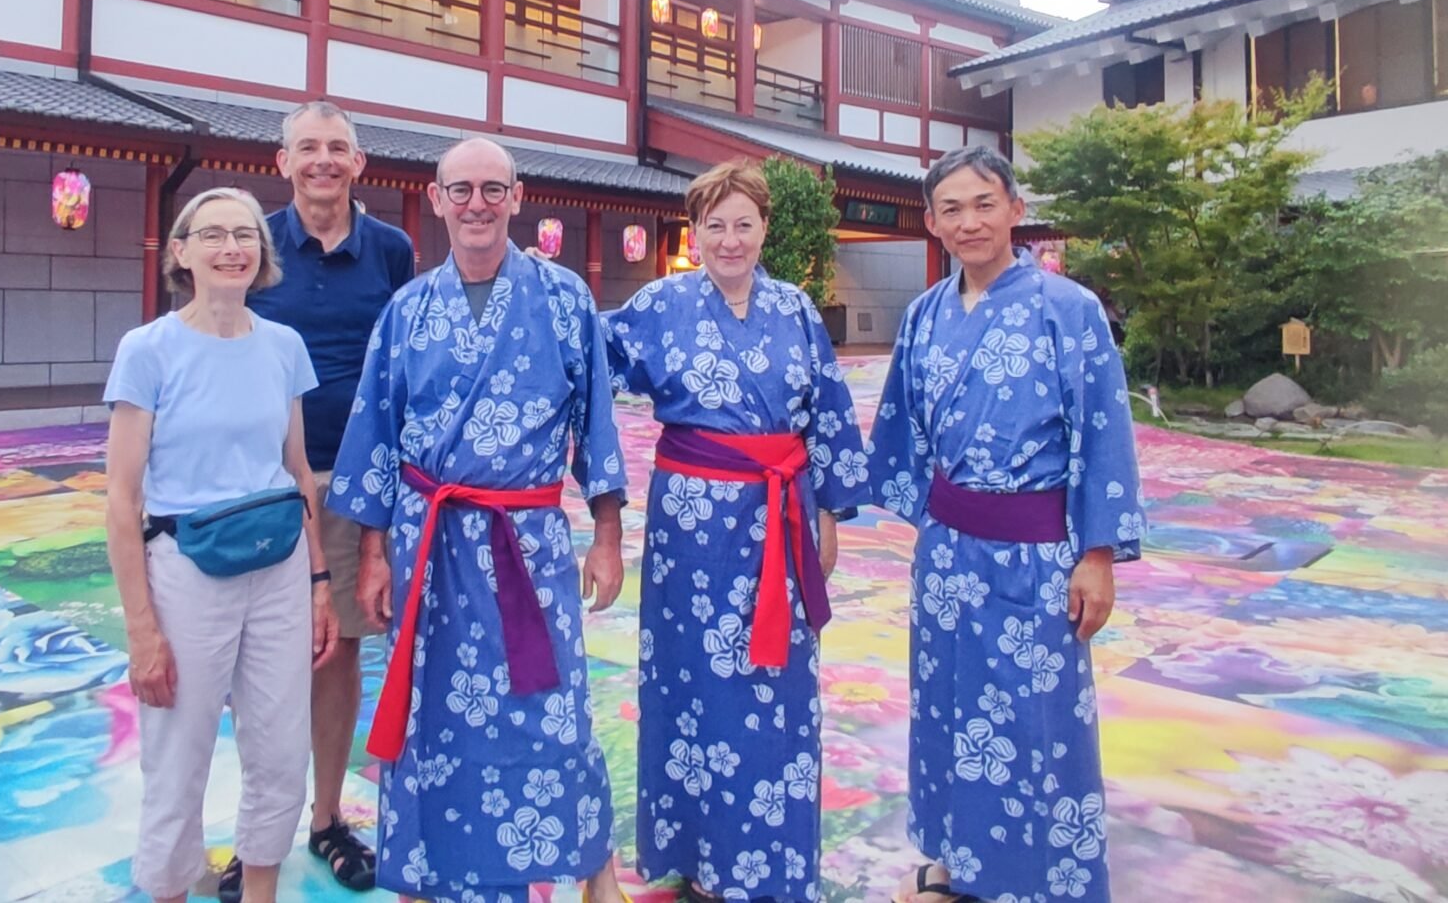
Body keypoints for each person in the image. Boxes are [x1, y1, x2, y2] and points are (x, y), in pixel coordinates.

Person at [328, 137, 628, 903]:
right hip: (428, 544)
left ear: (519, 198)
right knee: (435, 711)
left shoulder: (563, 300)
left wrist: (607, 537)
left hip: (527, 543)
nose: (477, 205)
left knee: (550, 707)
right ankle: (430, 871)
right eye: (460, 190)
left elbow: (596, 425)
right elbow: (378, 441)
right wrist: (373, 556)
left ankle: (586, 866)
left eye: (493, 190)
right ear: (436, 201)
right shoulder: (406, 309)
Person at [863, 145, 1144, 903]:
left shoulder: (1069, 309)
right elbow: (901, 432)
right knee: (949, 708)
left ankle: (1045, 875)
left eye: (984, 203)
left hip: (1037, 554)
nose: (969, 221)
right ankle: (956, 857)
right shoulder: (924, 314)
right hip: (949, 553)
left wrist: (1098, 554)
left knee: (1033, 719)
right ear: (931, 222)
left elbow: (1103, 433)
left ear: (1016, 209)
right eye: (951, 209)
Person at [600, 159, 870, 903]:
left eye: (743, 223)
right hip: (691, 525)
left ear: (764, 229)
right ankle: (695, 846)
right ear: (694, 232)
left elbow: (828, 414)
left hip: (778, 514)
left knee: (775, 682)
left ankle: (766, 854)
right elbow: (590, 355)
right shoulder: (662, 304)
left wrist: (826, 511)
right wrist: (543, 294)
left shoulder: (796, 310)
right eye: (714, 225)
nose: (729, 239)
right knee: (690, 679)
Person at [104, 186, 338, 903]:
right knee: (179, 754)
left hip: (278, 567)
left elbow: (296, 469)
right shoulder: (148, 351)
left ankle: (260, 887)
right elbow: (121, 498)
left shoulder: (284, 347)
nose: (232, 247)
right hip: (187, 568)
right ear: (182, 252)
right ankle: (173, 889)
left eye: (244, 235)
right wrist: (142, 628)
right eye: (212, 235)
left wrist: (319, 582)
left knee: (279, 742)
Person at [222, 102, 414, 898]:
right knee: (263, 662)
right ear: (283, 161)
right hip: (267, 487)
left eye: (338, 148)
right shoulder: (254, 245)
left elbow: (407, 359)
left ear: (359, 163)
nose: (323, 161)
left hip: (359, 485)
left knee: (338, 652)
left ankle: (327, 816)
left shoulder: (392, 251)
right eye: (309, 148)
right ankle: (256, 832)